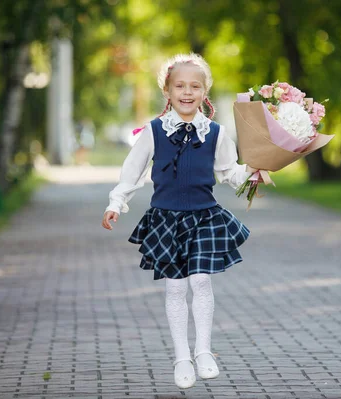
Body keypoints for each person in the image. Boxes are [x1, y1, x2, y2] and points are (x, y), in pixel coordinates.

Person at [101, 53, 256, 389]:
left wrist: (255, 172)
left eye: (195, 86)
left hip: (204, 217)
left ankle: (203, 352)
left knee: (200, 281)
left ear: (205, 92)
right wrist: (117, 202)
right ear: (168, 92)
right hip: (166, 219)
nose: (188, 92)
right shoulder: (154, 131)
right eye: (180, 86)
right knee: (175, 287)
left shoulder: (215, 132)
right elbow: (133, 170)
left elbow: (230, 171)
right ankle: (182, 357)